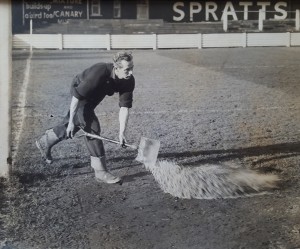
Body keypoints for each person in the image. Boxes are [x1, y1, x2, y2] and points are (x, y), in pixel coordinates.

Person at [36, 51, 135, 184]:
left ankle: (45, 141)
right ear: (116, 68)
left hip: (95, 95)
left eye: (132, 68)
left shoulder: (128, 80)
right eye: (127, 69)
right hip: (81, 92)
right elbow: (77, 97)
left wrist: (122, 132)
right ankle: (100, 172)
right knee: (91, 127)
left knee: (79, 121)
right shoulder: (98, 72)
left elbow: (124, 107)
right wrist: (71, 121)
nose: (131, 73)